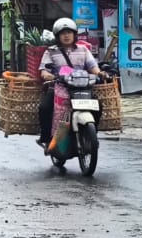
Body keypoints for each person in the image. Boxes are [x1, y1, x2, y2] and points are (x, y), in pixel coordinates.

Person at [36, 17, 102, 148]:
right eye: (63, 33)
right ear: (57, 36)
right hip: (59, 86)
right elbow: (43, 71)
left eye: (69, 32)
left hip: (82, 87)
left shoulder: (83, 50)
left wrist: (101, 74)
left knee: (98, 105)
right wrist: (49, 76)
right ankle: (46, 138)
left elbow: (93, 67)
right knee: (44, 108)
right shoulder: (51, 51)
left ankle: (91, 133)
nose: (66, 36)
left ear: (74, 34)